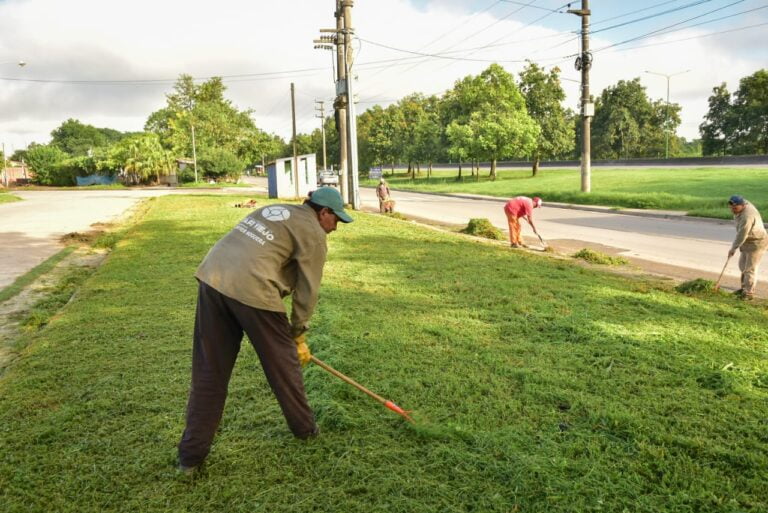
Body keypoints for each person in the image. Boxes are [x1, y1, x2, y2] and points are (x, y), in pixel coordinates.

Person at [177, 187, 353, 474]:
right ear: (324, 213)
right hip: (253, 287)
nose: (337, 228)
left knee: (210, 372)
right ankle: (306, 431)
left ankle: (190, 459)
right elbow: (308, 292)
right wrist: (297, 334)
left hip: (213, 277)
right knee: (284, 367)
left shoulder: (277, 211)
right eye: (337, 221)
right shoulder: (315, 233)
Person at [727, 195, 767, 300]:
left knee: (750, 269)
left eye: (735, 208)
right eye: (731, 208)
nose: (732, 210)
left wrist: (733, 248)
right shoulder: (742, 204)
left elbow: (742, 234)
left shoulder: (747, 217)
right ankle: (744, 288)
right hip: (747, 242)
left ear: (743, 205)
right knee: (742, 266)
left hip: (756, 242)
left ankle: (748, 294)